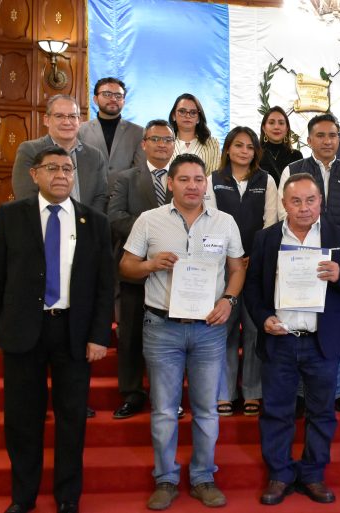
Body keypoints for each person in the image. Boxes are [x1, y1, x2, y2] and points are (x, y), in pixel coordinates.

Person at [0, 147, 114, 513]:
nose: (61, 175)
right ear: (35, 174)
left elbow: (105, 285)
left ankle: (68, 496)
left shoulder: (94, 221)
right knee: (22, 418)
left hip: (73, 331)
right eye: (52, 168)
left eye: (67, 169)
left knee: (72, 419)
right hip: (23, 329)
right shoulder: (11, 216)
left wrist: (99, 335)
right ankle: (23, 496)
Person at [119, 154, 246, 510]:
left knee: (207, 409)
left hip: (209, 329)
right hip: (162, 328)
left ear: (206, 184)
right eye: (185, 179)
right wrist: (149, 265)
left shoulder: (225, 222)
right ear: (170, 183)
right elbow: (126, 266)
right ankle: (166, 478)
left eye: (198, 179)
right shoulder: (149, 220)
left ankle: (204, 477)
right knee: (164, 410)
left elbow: (237, 268)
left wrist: (228, 300)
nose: (193, 186)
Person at [245, 173, 340, 505]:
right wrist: (263, 318)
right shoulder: (266, 238)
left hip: (321, 342)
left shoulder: (339, 236)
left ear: (320, 201)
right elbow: (252, 286)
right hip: (279, 339)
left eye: (310, 200)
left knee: (322, 412)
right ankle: (280, 474)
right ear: (284, 204)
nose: (304, 207)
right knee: (277, 411)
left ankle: (313, 474)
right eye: (296, 201)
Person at [277, 113, 340, 418]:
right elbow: (283, 212)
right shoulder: (293, 170)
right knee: (300, 324)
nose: (327, 141)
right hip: (299, 258)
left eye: (332, 135)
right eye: (320, 135)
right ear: (309, 140)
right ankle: (301, 394)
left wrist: (338, 239)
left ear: (338, 139)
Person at [206, 126, 277, 417]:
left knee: (254, 330)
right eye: (238, 145)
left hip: (256, 266)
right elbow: (210, 221)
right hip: (223, 265)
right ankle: (224, 393)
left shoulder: (266, 180)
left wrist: (253, 257)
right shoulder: (213, 180)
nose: (244, 151)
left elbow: (271, 223)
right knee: (224, 329)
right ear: (228, 148)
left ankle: (252, 391)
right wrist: (232, 258)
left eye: (250, 146)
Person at [107, 119, 176, 420]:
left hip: (174, 269)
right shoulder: (125, 178)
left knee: (171, 336)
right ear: (144, 144)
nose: (162, 145)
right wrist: (153, 233)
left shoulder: (183, 177)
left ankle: (169, 394)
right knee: (131, 334)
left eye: (167, 140)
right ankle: (132, 392)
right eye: (155, 139)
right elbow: (115, 217)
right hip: (135, 265)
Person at [12, 94, 108, 213]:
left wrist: (85, 221)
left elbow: (100, 197)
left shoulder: (95, 155)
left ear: (80, 121)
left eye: (72, 116)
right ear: (46, 120)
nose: (67, 122)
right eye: (59, 116)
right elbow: (26, 196)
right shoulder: (30, 150)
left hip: (85, 222)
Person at [79, 77, 145, 186]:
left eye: (118, 96)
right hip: (89, 192)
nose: (113, 99)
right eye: (107, 94)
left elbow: (139, 170)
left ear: (124, 101)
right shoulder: (80, 130)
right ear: (95, 99)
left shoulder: (138, 132)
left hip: (124, 193)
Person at [167, 93, 221, 174]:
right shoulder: (165, 142)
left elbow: (214, 176)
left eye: (193, 112)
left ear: (199, 118)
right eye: (182, 111)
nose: (187, 116)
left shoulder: (212, 143)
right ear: (173, 115)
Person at [259, 106, 303, 185]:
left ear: (287, 129)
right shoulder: (255, 154)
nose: (276, 127)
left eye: (281, 123)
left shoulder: (296, 156)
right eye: (271, 123)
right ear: (264, 128)